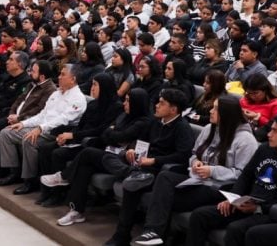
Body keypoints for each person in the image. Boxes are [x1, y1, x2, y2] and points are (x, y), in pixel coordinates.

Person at [129, 95, 259, 246]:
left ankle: (156, 234)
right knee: (165, 176)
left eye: (216, 109)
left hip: (220, 188)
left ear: (227, 114)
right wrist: (196, 162)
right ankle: (153, 233)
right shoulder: (209, 128)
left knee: (162, 199)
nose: (210, 111)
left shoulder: (246, 140)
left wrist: (212, 171)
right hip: (198, 181)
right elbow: (193, 154)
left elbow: (243, 175)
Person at [186, 112, 277, 246]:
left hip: (268, 213)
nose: (269, 134)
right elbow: (246, 175)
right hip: (245, 202)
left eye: (275, 131)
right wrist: (234, 197)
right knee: (200, 215)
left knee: (236, 229)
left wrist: (258, 208)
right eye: (270, 129)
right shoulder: (265, 149)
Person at [40, 90, 152, 219]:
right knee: (84, 167)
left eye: (128, 101)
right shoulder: (123, 116)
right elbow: (105, 134)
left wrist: (112, 132)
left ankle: (64, 176)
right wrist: (113, 134)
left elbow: (121, 136)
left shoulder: (144, 122)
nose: (124, 104)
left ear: (137, 104)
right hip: (109, 152)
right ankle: (76, 211)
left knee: (88, 152)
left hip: (122, 160)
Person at [101, 89, 193, 245]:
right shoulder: (155, 121)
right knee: (108, 157)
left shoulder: (182, 128)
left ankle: (121, 236)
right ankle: (132, 172)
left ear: (173, 109)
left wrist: (154, 161)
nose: (156, 105)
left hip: (159, 170)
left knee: (132, 186)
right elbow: (142, 141)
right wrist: (132, 150)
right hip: (142, 163)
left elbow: (183, 156)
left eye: (161, 103)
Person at [0, 63, 88, 194]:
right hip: (42, 127)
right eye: (60, 74)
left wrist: (40, 128)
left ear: (73, 79)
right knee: (6, 133)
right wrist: (24, 123)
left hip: (56, 132)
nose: (59, 77)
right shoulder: (56, 93)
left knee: (29, 139)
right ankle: (13, 172)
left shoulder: (78, 98)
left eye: (63, 75)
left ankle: (30, 180)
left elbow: (63, 119)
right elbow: (42, 115)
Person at [35, 72, 121, 206]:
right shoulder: (93, 104)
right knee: (45, 148)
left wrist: (73, 136)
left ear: (104, 87)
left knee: (58, 154)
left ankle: (58, 194)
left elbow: (100, 131)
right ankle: (46, 191)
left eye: (95, 85)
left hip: (94, 143)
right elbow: (81, 126)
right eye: (92, 84)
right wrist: (67, 136)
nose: (92, 88)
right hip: (80, 138)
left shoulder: (116, 107)